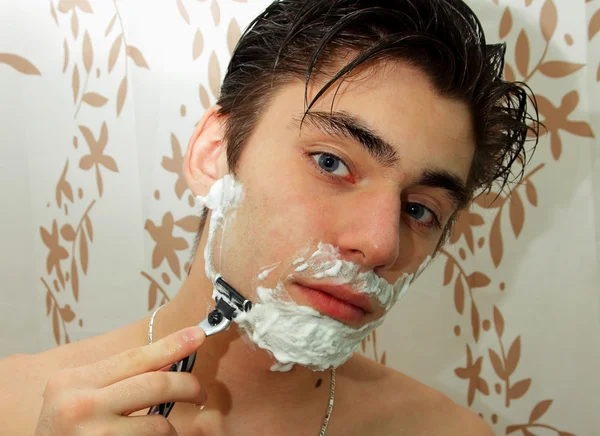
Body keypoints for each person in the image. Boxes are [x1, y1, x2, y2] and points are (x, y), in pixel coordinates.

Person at [1, 0, 538, 434]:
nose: (380, 245)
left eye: (420, 209)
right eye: (331, 163)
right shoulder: (13, 408)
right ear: (214, 155)